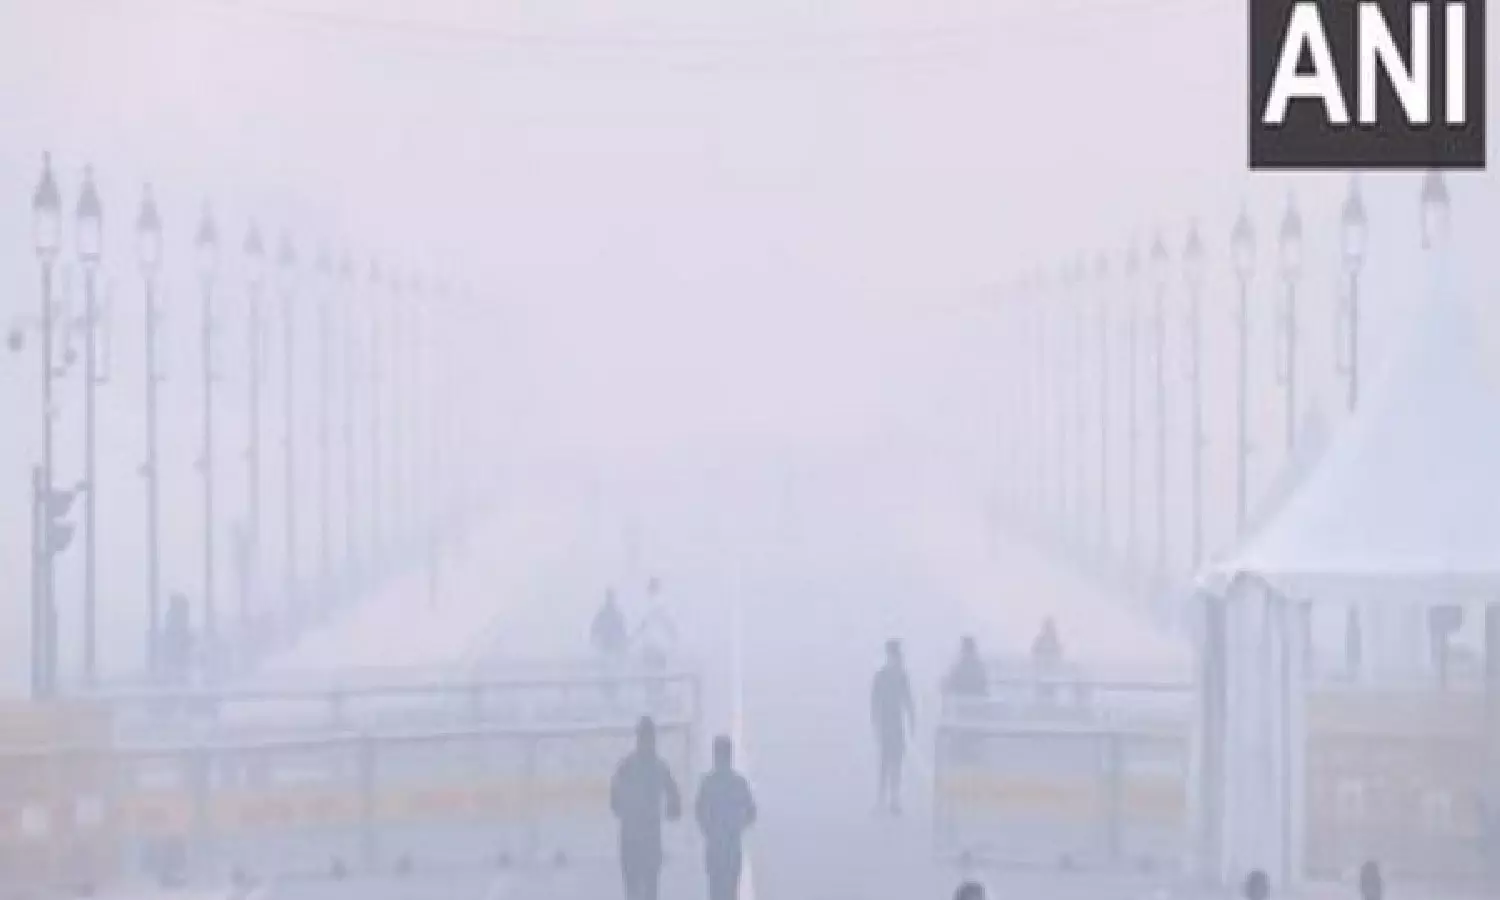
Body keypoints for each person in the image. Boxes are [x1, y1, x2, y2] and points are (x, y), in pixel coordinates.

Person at [610, 716, 682, 900]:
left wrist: (627, 811)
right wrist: (671, 810)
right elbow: (674, 801)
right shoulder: (659, 766)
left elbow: (614, 802)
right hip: (648, 837)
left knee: (635, 890)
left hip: (632, 837)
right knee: (648, 889)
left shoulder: (626, 766)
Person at [695, 735, 757, 900]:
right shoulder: (737, 783)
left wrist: (708, 829)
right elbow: (751, 812)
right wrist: (737, 826)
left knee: (717, 891)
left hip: (719, 847)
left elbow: (698, 811)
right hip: (728, 846)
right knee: (728, 892)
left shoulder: (709, 783)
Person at [871, 639, 915, 814]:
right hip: (886, 723)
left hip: (896, 723)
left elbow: (908, 700)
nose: (895, 659)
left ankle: (894, 799)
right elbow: (875, 702)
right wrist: (876, 724)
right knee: (885, 762)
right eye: (893, 656)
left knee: (896, 762)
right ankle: (882, 800)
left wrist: (912, 719)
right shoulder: (881, 676)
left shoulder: (901, 676)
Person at [593, 589, 628, 660]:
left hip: (615, 645)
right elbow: (595, 628)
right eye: (609, 597)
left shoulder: (617, 614)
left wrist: (624, 640)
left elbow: (622, 629)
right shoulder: (602, 614)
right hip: (605, 645)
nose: (611, 599)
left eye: (611, 597)